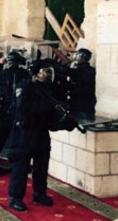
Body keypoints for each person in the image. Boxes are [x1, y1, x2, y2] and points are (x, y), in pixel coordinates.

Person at [7, 61, 78, 212]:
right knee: (21, 166)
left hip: (41, 132)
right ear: (37, 73)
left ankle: (39, 193)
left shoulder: (45, 89)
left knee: (41, 165)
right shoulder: (25, 87)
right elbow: (23, 109)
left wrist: (64, 122)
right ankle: (15, 197)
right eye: (46, 71)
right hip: (25, 132)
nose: (48, 74)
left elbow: (50, 116)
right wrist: (49, 109)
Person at [0, 51, 30, 166]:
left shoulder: (3, 73)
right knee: (19, 135)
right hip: (18, 108)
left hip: (3, 108)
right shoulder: (24, 73)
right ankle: (19, 161)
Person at [67, 48, 97, 122]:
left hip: (78, 101)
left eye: (77, 55)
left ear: (81, 57)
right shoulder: (92, 70)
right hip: (90, 101)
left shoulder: (78, 70)